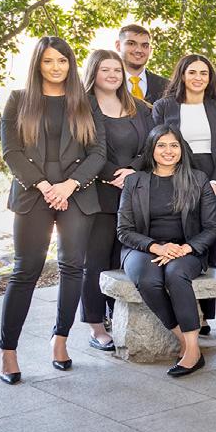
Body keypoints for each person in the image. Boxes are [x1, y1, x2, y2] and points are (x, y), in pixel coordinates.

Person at [0, 37, 105, 384]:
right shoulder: (18, 100)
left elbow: (98, 152)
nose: (56, 67)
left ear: (70, 64)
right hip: (33, 194)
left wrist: (69, 185)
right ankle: (8, 351)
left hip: (76, 194)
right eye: (48, 61)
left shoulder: (85, 102)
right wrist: (45, 186)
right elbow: (11, 151)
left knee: (72, 267)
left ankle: (60, 340)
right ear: (37, 65)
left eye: (62, 60)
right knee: (25, 269)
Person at [117, 125, 216, 377]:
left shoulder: (198, 179)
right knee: (148, 280)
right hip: (143, 248)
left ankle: (192, 352)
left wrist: (185, 248)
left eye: (174, 145)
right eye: (161, 145)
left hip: (186, 249)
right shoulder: (134, 181)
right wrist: (157, 247)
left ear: (182, 148)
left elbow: (212, 227)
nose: (168, 151)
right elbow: (124, 229)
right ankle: (185, 341)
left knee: (176, 275)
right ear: (151, 149)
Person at [78, 49, 152, 353]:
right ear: (93, 72)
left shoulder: (139, 107)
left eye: (117, 70)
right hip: (97, 193)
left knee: (120, 259)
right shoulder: (81, 107)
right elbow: (81, 149)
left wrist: (131, 170)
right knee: (95, 261)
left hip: (133, 192)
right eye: (105, 69)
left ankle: (116, 314)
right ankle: (96, 326)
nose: (112, 75)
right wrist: (111, 174)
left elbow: (150, 145)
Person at [153, 54, 216, 326]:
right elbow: (157, 144)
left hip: (215, 177)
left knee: (208, 243)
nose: (198, 78)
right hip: (178, 176)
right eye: (192, 72)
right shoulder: (164, 106)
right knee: (182, 236)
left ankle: (205, 315)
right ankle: (184, 309)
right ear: (182, 75)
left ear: (210, 79)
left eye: (204, 73)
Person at [114, 24, 167, 103]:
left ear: (150, 50)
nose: (139, 50)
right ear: (118, 45)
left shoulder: (167, 86)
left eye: (144, 46)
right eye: (131, 43)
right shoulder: (104, 83)